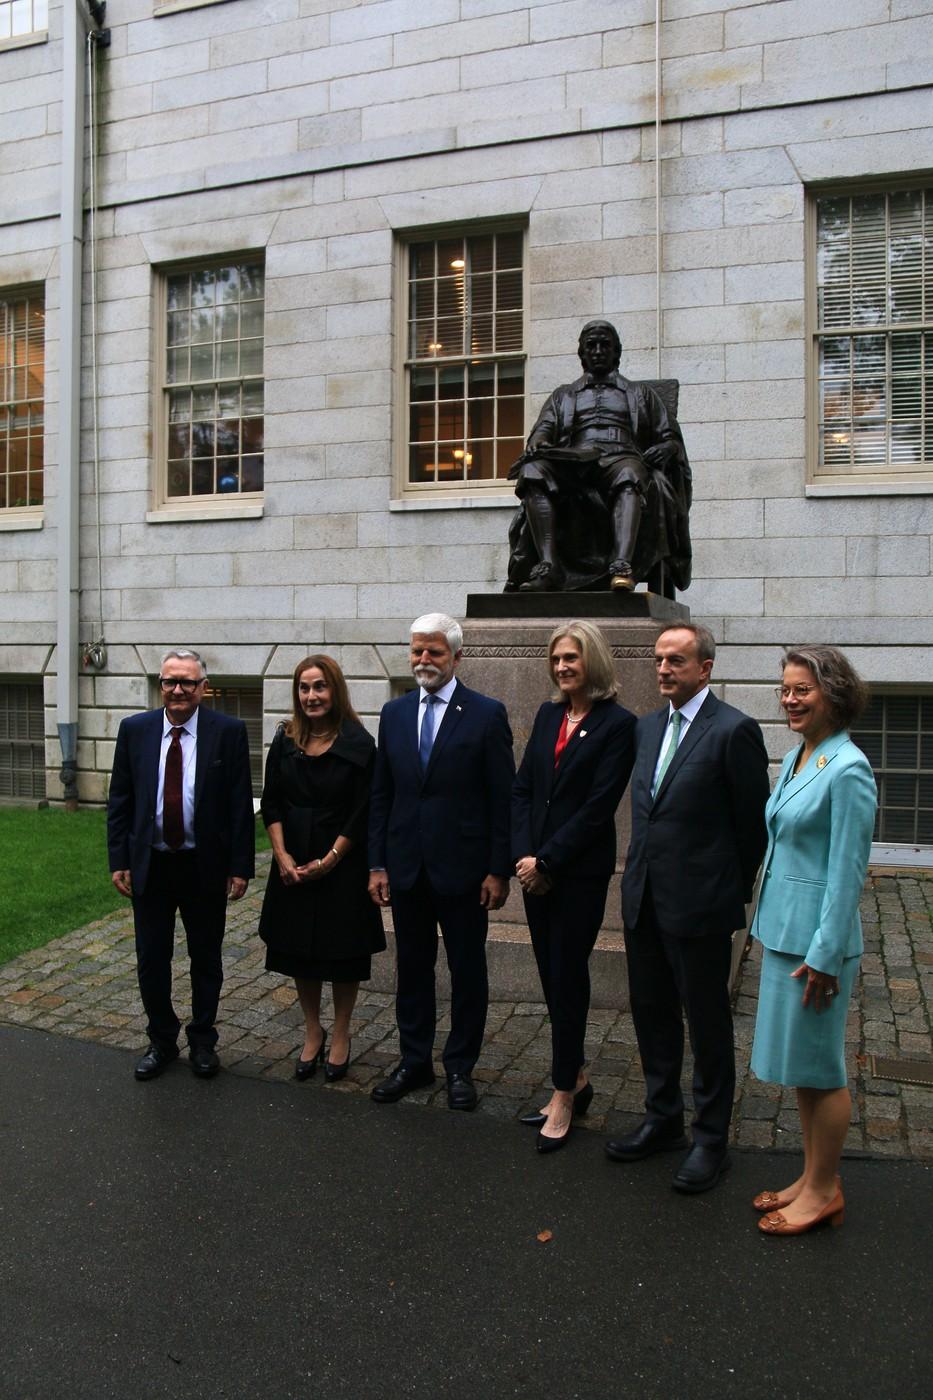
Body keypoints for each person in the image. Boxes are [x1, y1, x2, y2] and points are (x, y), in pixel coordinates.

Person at [606, 624, 769, 1192]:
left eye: (676, 660)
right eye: (658, 659)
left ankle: (711, 1139)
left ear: (705, 668)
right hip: (645, 898)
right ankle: (663, 1118)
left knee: (706, 1023)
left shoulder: (734, 731)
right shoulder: (647, 727)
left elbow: (752, 828)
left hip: (700, 906)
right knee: (651, 1013)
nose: (663, 669)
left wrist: (726, 891)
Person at [751, 646, 876, 1237]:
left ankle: (824, 1192)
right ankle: (812, 1176)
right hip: (785, 932)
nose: (789, 699)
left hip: (816, 948)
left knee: (823, 1068)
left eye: (802, 689)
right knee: (804, 1066)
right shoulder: (802, 754)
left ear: (834, 693)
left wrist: (825, 954)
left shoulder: (848, 768)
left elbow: (848, 872)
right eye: (785, 689)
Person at [368, 612, 515, 1110]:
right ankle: (414, 1061)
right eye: (417, 650)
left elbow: (502, 799)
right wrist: (377, 864)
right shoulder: (394, 713)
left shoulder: (486, 714)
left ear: (457, 656)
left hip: (465, 871)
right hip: (407, 867)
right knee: (412, 969)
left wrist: (498, 869)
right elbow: (382, 794)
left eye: (434, 651)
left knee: (466, 971)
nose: (423, 660)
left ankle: (460, 1067)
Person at [512, 621, 636, 1153]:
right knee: (550, 974)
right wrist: (523, 856)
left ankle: (563, 1092)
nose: (562, 667)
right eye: (557, 658)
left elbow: (597, 808)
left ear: (594, 662)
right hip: (533, 872)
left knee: (567, 977)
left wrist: (547, 860)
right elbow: (523, 789)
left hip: (576, 874)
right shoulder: (548, 715)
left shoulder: (619, 725)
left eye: (572, 658)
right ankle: (578, 1079)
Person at [107, 648, 255, 1081]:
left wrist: (240, 866)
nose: (178, 690)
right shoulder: (134, 730)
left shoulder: (227, 732)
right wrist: (119, 859)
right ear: (160, 685)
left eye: (187, 682)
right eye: (170, 681)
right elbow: (120, 801)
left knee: (206, 957)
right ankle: (162, 1040)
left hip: (203, 865)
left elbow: (239, 804)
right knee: (151, 958)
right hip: (151, 864)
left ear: (203, 687)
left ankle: (203, 1041)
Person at [258, 655, 386, 1081]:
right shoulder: (285, 739)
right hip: (293, 863)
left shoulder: (358, 743)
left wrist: (331, 859)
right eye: (304, 688)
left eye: (319, 687)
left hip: (343, 863)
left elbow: (364, 810)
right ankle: (313, 1030)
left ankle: (342, 1032)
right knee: (300, 952)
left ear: (335, 690)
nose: (311, 696)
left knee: (342, 953)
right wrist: (282, 856)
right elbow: (271, 801)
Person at [505, 319, 691, 595]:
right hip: (574, 463)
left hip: (621, 457)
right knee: (532, 470)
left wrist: (667, 448)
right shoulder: (563, 395)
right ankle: (548, 565)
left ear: (617, 352)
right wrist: (539, 441)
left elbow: (670, 437)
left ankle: (622, 566)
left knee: (630, 473)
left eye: (605, 345)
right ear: (582, 353)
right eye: (591, 346)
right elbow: (544, 428)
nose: (598, 351)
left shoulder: (641, 394)